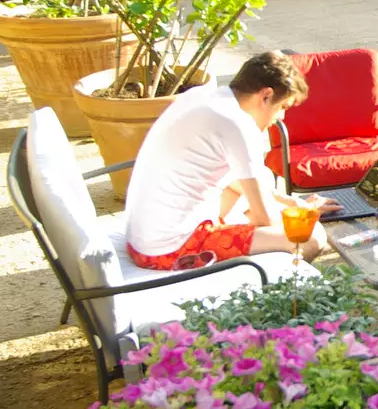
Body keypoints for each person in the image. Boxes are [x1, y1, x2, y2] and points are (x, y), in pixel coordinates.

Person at [124, 50, 340, 270]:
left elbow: (240, 184)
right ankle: (275, 291)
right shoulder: (238, 125)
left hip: (144, 238)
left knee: (248, 191)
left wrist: (295, 203)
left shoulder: (202, 97)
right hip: (171, 249)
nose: (281, 117)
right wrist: (304, 216)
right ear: (266, 96)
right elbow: (264, 218)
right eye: (283, 107)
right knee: (311, 237)